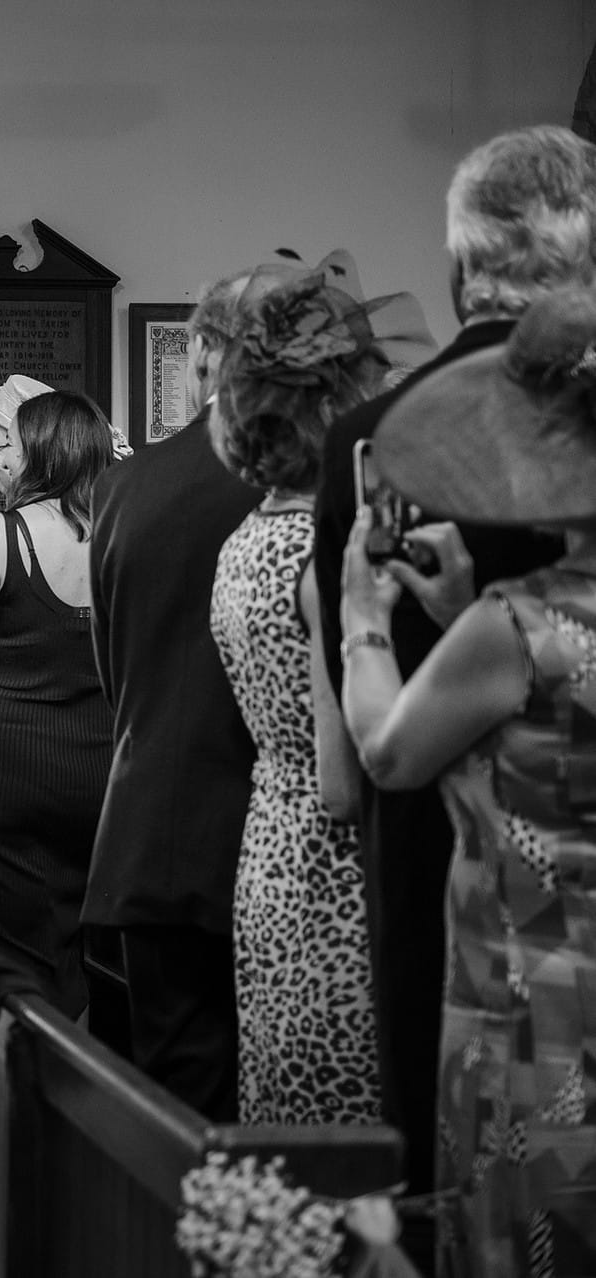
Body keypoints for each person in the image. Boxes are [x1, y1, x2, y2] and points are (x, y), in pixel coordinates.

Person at [313, 124, 595, 1221]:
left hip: (471, 903)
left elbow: (378, 748)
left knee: (475, 1189)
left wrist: (359, 619)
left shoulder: (379, 439)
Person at [209, 255, 430, 1125]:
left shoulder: (244, 538)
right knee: (352, 1132)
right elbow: (345, 782)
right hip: (337, 876)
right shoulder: (326, 555)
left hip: (268, 850)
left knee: (288, 1119)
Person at [84, 272, 261, 1121]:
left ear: (197, 356)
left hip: (148, 830)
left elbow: (116, 670)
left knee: (169, 1107)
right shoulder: (308, 480)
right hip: (274, 832)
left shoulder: (127, 485)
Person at [0, 383, 117, 1017]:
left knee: (11, 936)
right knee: (90, 934)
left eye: (2, 446)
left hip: (9, 756)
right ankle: (86, 1075)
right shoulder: (122, 531)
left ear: (40, 450)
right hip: (101, 760)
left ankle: (14, 1090)